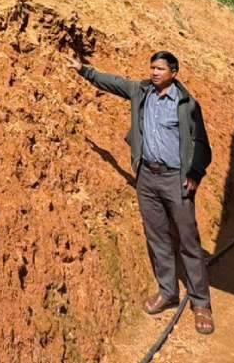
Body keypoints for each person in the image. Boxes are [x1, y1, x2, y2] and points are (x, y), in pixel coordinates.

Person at [67, 50, 215, 334]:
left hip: (176, 180)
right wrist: (84, 70)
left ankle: (201, 303)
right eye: (152, 67)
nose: (154, 72)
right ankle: (168, 292)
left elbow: (202, 145)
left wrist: (195, 172)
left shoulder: (187, 105)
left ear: (174, 72)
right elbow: (114, 83)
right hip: (147, 177)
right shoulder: (142, 92)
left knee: (188, 240)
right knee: (157, 236)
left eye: (160, 68)